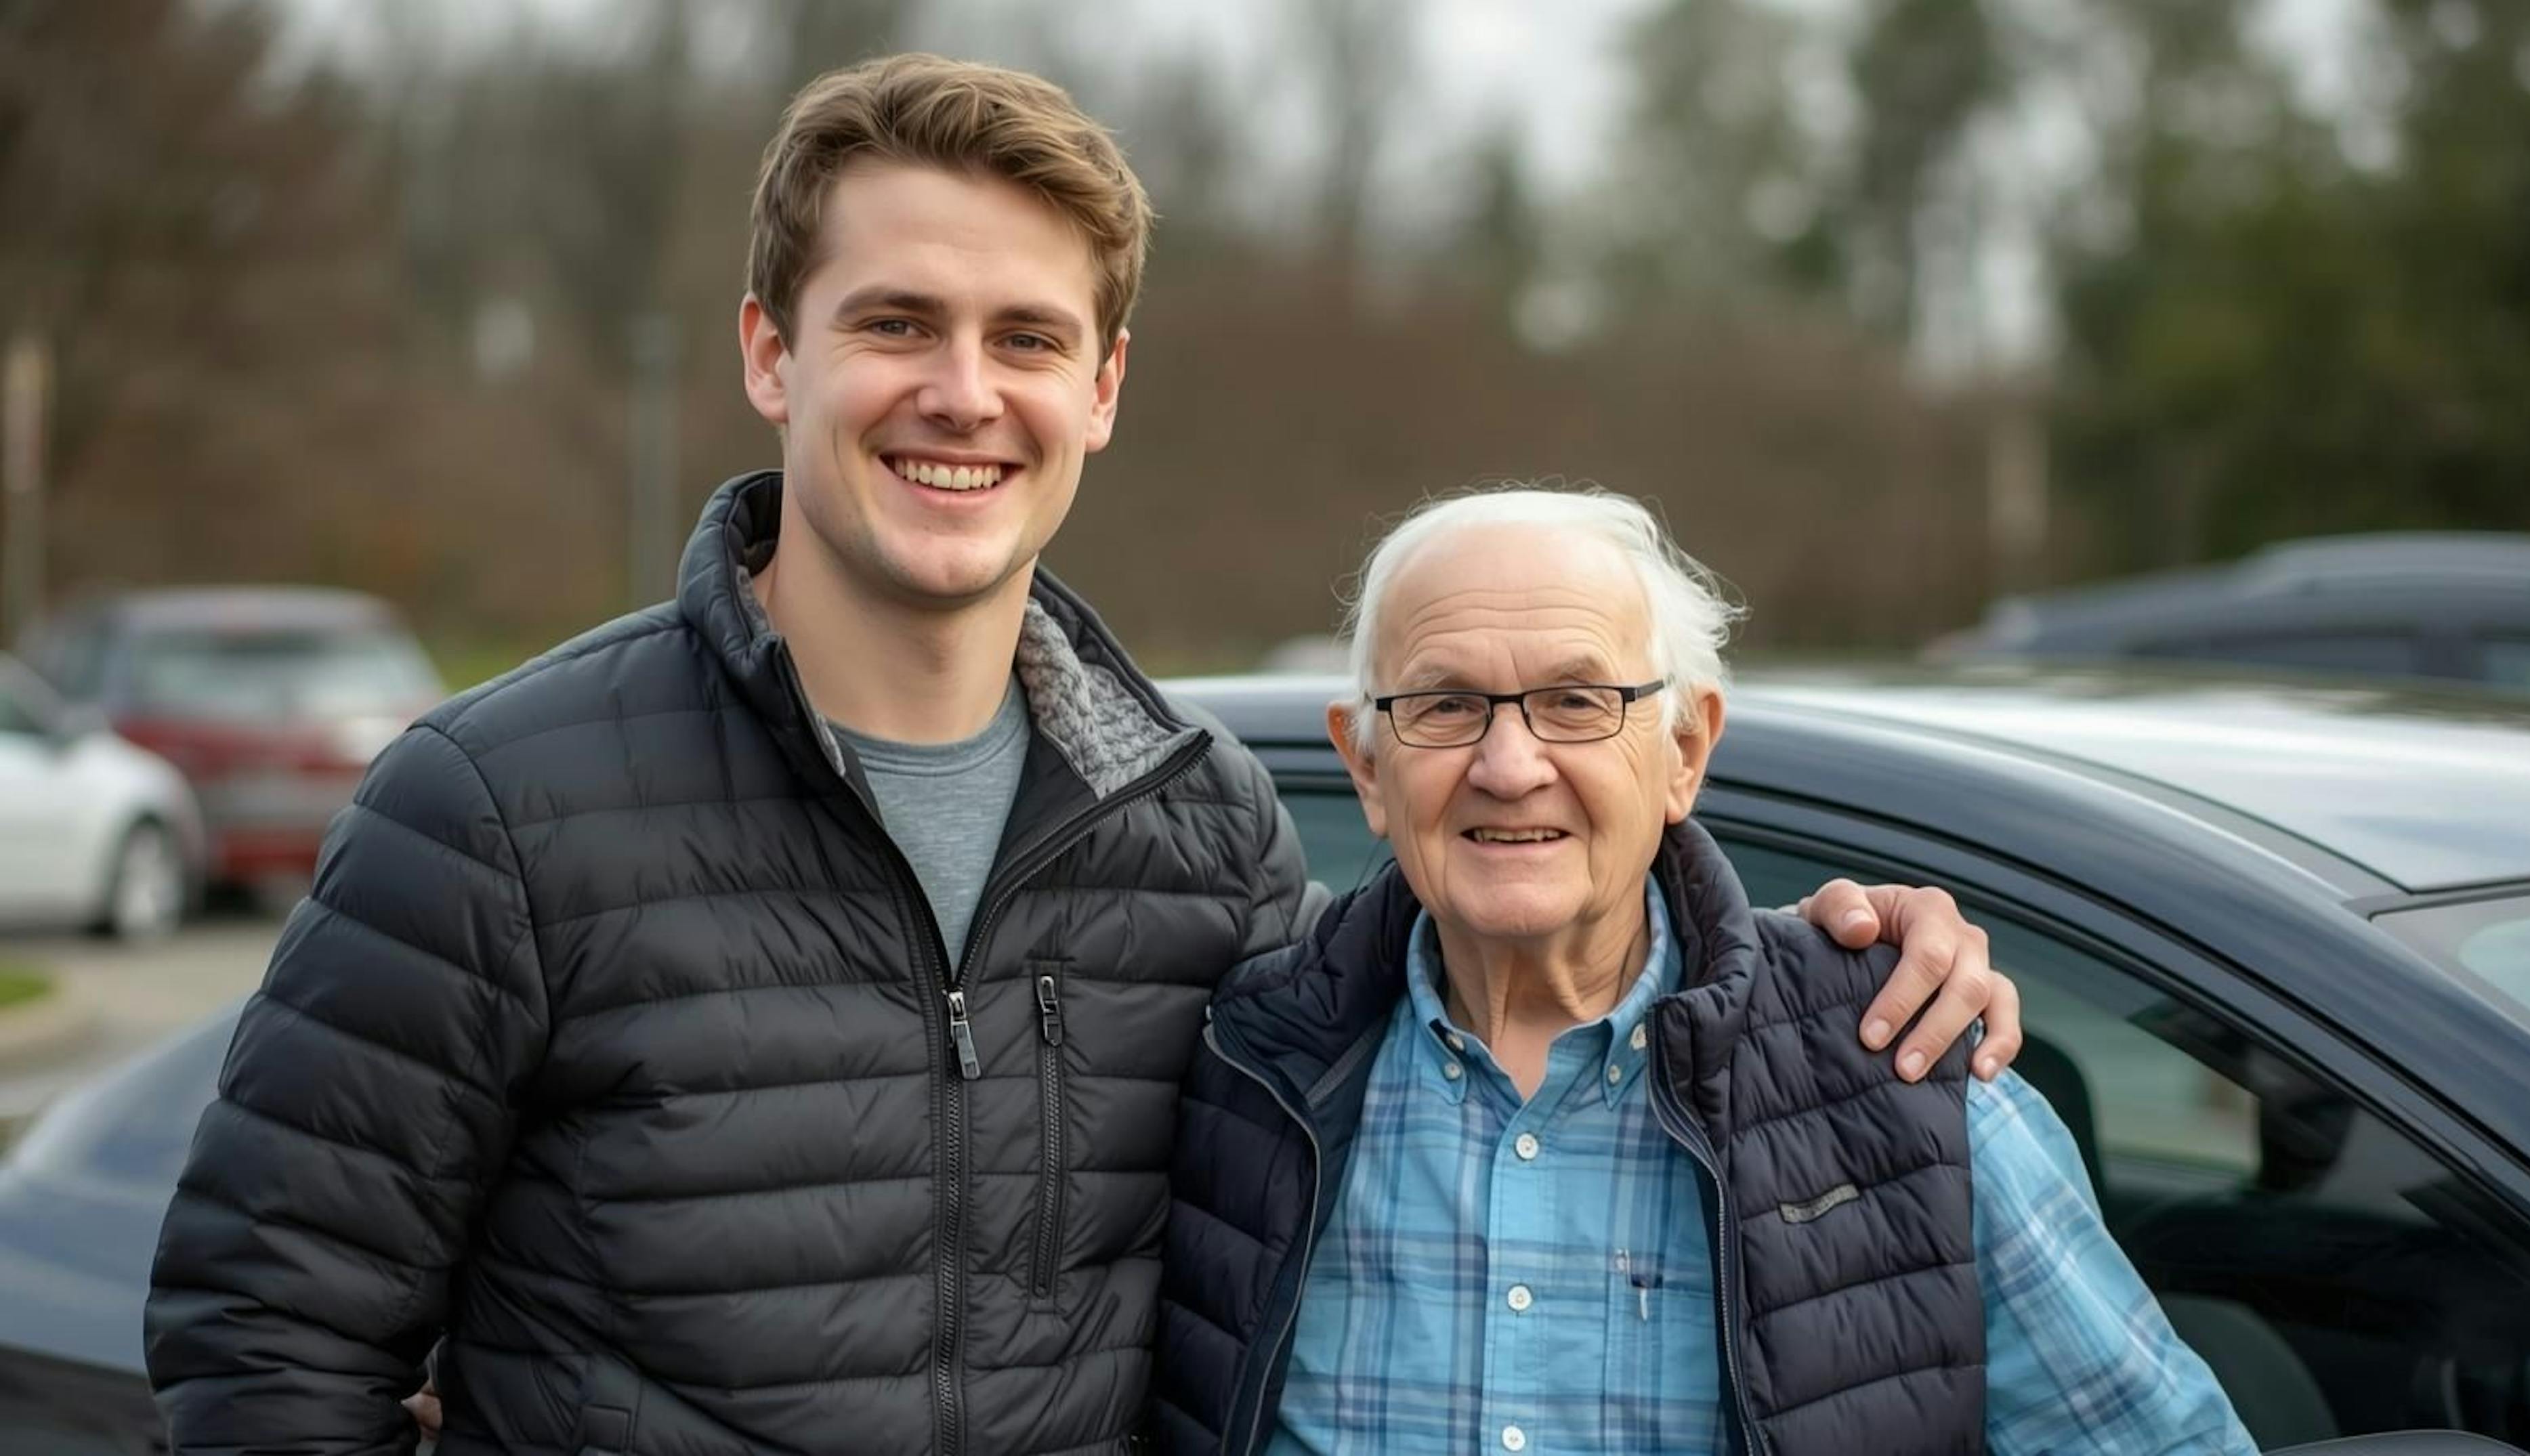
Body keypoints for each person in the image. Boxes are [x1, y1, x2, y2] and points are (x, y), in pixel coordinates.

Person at [143, 56, 2020, 1456]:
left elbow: (1493, 998)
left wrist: (1846, 956)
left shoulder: (1199, 826)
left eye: (1028, 336)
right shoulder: (494, 807)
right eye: (896, 323)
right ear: (769, 354)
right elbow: (264, 1351)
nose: (966, 391)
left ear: (1103, 389)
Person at [1156, 488, 2258, 1456]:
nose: (1507, 765)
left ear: (1684, 750)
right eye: (1445, 705)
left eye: (1576, 701)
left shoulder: (1899, 1067)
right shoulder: (1236, 1072)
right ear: (1366, 766)